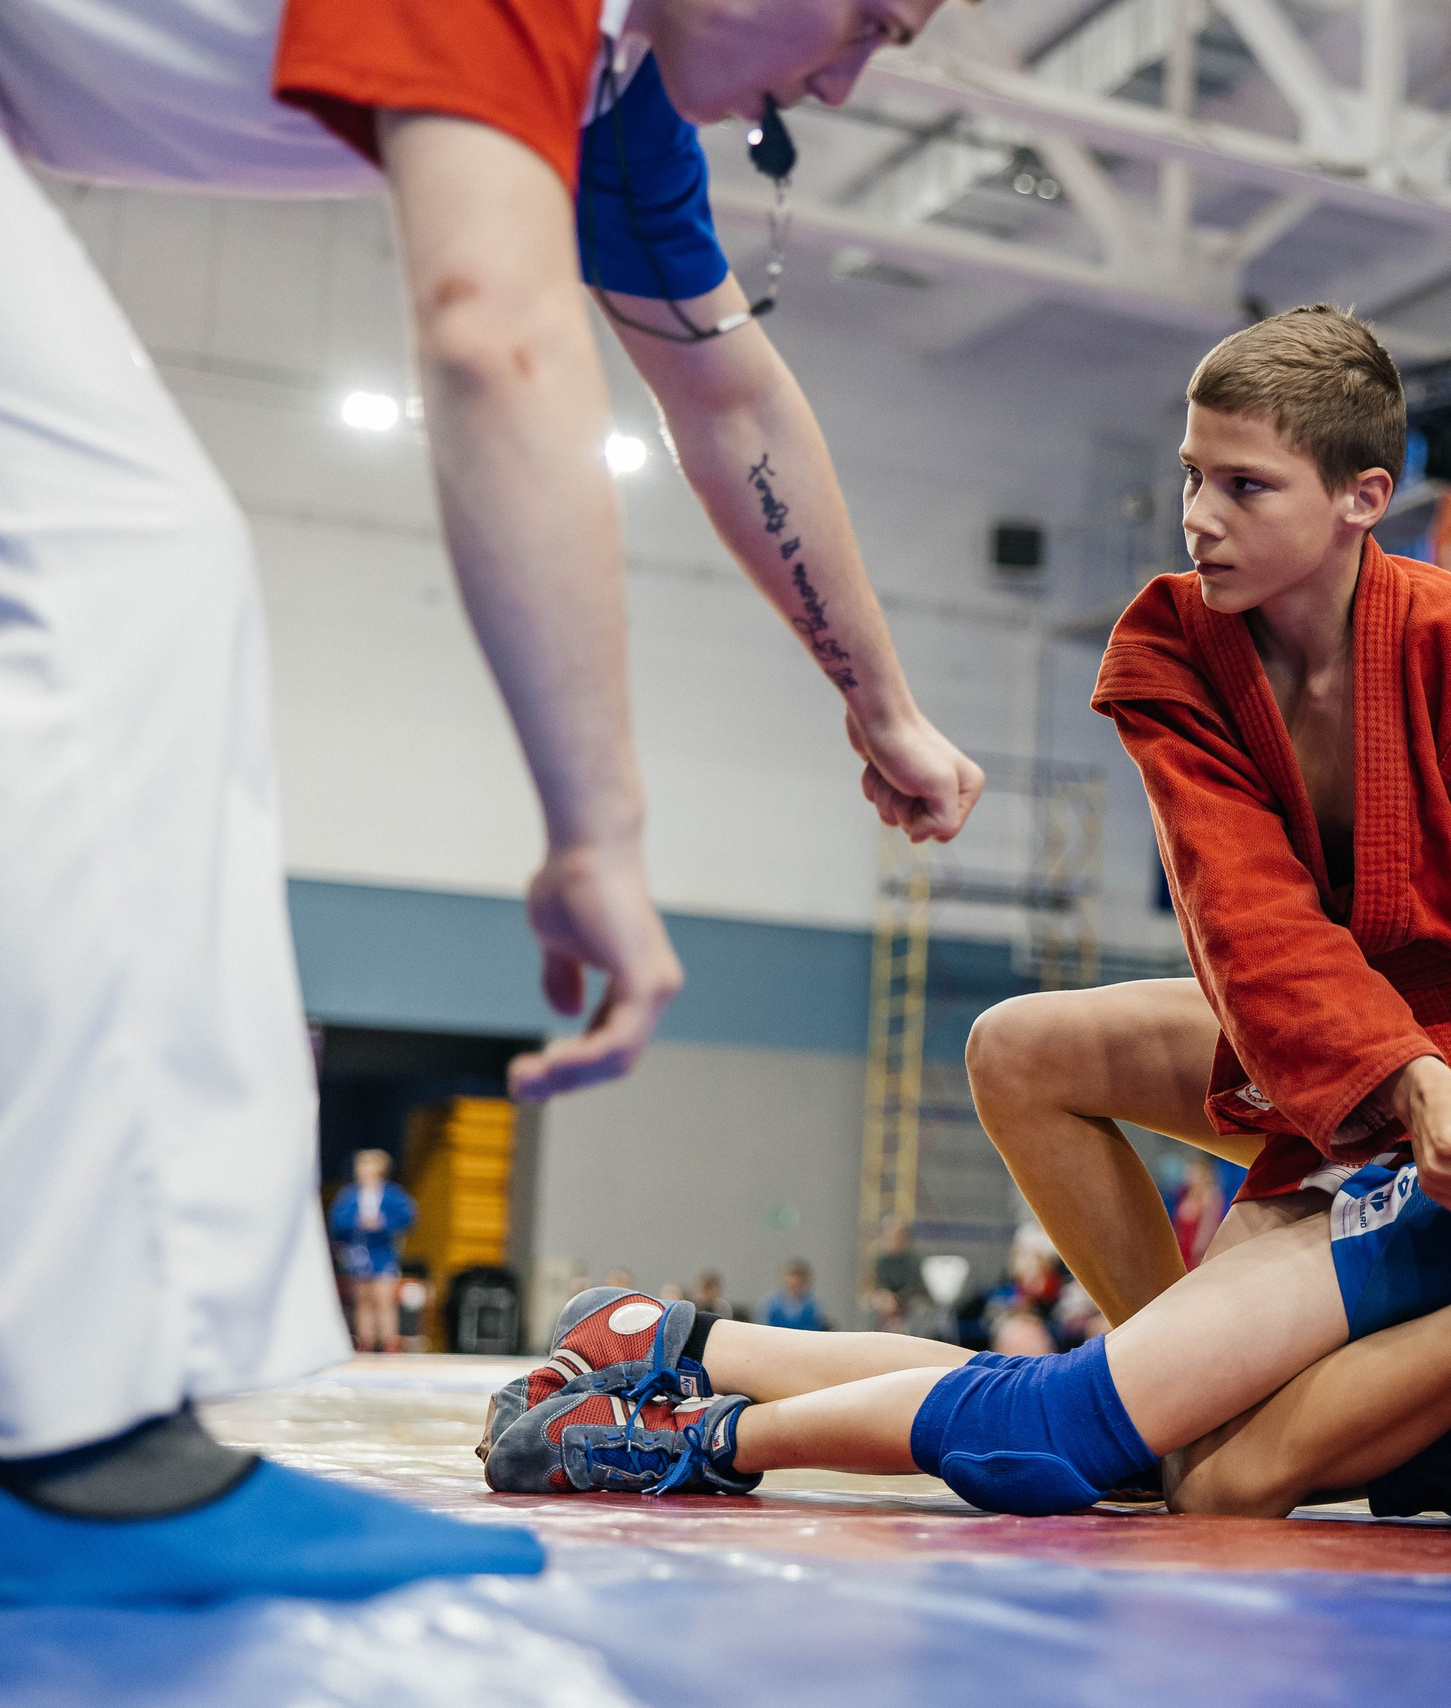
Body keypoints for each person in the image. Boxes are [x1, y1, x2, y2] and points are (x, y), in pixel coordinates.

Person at [0, 0, 984, 1607]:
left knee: (115, 572)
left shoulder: (619, 107)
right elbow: (492, 332)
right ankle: (78, 1453)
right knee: (126, 571)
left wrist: (877, 697)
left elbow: (729, 400)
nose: (854, 77)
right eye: (869, 17)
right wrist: (594, 828)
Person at [484, 1074, 1451, 1588]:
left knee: (1188, 1485)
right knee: (1076, 1431)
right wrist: (1405, 1151)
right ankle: (685, 1439)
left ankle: (667, 1333)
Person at [962, 306, 1451, 1329]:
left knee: (1253, 1444)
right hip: (1308, 1044)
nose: (1199, 517)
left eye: (1245, 486)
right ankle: (1151, 1401)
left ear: (1361, 497)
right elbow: (1251, 925)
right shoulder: (1175, 650)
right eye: (1192, 474)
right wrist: (1404, 1087)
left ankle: (1188, 1409)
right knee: (1013, 1050)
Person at [327, 1150, 418, 1355]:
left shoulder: (392, 1194)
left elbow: (407, 1217)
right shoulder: (350, 1195)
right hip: (359, 1251)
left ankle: (388, 1341)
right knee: (362, 1299)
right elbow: (337, 1221)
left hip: (382, 1250)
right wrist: (356, 1223)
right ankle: (365, 1342)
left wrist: (384, 1223)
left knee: (383, 1297)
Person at [870, 1217, 924, 1330]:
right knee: (873, 1305)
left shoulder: (913, 1260)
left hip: (909, 1302)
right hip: (889, 1302)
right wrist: (885, 1296)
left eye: (894, 1237)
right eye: (887, 1237)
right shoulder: (882, 1260)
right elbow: (881, 1283)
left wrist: (897, 1300)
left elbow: (913, 1287)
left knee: (919, 1309)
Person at [762, 1261, 828, 1333]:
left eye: (798, 1276)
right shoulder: (772, 1304)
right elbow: (766, 1328)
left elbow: (815, 1328)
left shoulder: (813, 1305)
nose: (794, 1281)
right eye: (791, 1276)